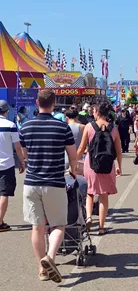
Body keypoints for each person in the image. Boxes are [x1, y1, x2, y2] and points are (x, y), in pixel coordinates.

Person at [20, 89, 77, 283]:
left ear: (37, 102)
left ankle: (41, 269)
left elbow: (25, 154)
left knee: (37, 227)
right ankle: (50, 257)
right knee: (58, 224)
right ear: (54, 103)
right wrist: (73, 170)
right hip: (54, 182)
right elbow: (72, 154)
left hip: (32, 182)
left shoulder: (25, 127)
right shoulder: (62, 127)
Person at [77, 102, 122, 235]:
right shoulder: (113, 128)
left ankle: (89, 217)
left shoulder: (89, 127)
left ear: (97, 112)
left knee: (90, 193)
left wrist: (75, 162)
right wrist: (120, 166)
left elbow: (81, 147)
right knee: (103, 196)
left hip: (91, 163)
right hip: (108, 165)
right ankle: (102, 227)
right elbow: (118, 151)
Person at [0, 100, 25, 232]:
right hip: (6, 164)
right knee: (4, 193)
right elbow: (17, 146)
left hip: (6, 164)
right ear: (6, 111)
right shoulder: (10, 125)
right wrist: (22, 161)